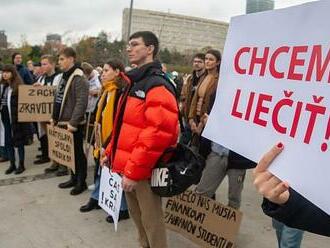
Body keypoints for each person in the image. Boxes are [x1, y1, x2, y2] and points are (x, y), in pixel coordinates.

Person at [103, 31, 179, 248]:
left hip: (143, 169)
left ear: (150, 49)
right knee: (138, 219)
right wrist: (110, 152)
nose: (129, 48)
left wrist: (133, 171)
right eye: (128, 45)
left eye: (135, 44)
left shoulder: (156, 84)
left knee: (151, 221)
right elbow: (123, 126)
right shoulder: (133, 81)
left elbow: (157, 133)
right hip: (129, 165)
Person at [80, 59, 129, 223]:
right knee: (103, 171)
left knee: (115, 173)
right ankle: (97, 198)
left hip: (115, 140)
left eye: (107, 71)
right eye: (103, 71)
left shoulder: (121, 92)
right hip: (101, 138)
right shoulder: (106, 90)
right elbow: (98, 116)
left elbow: (119, 122)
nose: (102, 74)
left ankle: (122, 208)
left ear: (117, 72)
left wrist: (107, 144)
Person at [253, 143, 330, 237]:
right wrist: (288, 200)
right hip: (291, 196)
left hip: (300, 192)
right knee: (280, 230)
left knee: (289, 240)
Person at [52, 47, 89, 195]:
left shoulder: (79, 77)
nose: (59, 62)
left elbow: (81, 102)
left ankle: (81, 182)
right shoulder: (64, 76)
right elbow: (58, 98)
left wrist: (73, 123)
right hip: (62, 121)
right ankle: (73, 178)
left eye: (62, 59)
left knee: (78, 153)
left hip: (73, 124)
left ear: (71, 59)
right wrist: (54, 117)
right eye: (59, 59)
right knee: (70, 153)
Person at [0, 65, 33, 174]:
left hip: (17, 119)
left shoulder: (18, 86)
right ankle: (12, 164)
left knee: (19, 142)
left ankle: (21, 165)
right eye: (3, 72)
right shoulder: (4, 86)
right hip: (5, 119)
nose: (4, 74)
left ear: (12, 73)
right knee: (8, 142)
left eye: (7, 72)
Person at [188, 49, 221, 159]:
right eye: (206, 59)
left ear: (218, 62)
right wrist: (191, 118)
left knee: (202, 156)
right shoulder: (203, 77)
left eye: (211, 59)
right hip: (196, 119)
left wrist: (202, 123)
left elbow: (213, 103)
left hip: (206, 122)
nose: (207, 62)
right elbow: (194, 99)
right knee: (192, 153)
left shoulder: (219, 80)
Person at [33, 55, 62, 165]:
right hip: (44, 114)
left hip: (55, 114)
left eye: (45, 64)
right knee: (47, 138)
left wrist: (44, 89)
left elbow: (59, 93)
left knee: (56, 139)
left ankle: (61, 164)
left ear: (52, 64)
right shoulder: (41, 78)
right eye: (41, 64)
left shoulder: (59, 77)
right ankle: (54, 161)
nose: (42, 66)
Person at [180, 53, 206, 145]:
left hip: (199, 119)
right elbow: (183, 96)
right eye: (195, 61)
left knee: (195, 147)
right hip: (187, 117)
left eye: (199, 62)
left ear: (204, 64)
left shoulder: (206, 79)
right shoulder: (190, 78)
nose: (196, 64)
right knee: (182, 144)